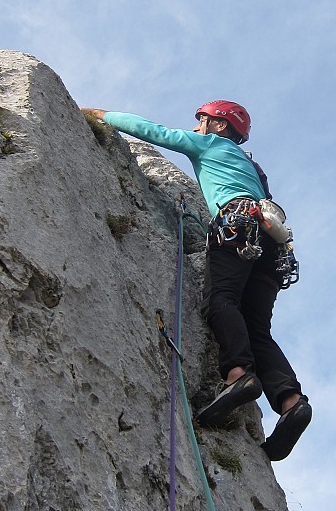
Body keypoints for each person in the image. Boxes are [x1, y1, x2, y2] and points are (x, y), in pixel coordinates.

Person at [81, 100, 311, 461]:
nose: (198, 125)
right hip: (272, 243)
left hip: (238, 227)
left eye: (204, 119)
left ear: (221, 127)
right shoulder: (253, 168)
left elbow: (155, 133)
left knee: (221, 299)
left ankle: (239, 375)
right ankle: (291, 402)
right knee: (257, 328)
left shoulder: (212, 144)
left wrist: (100, 115)